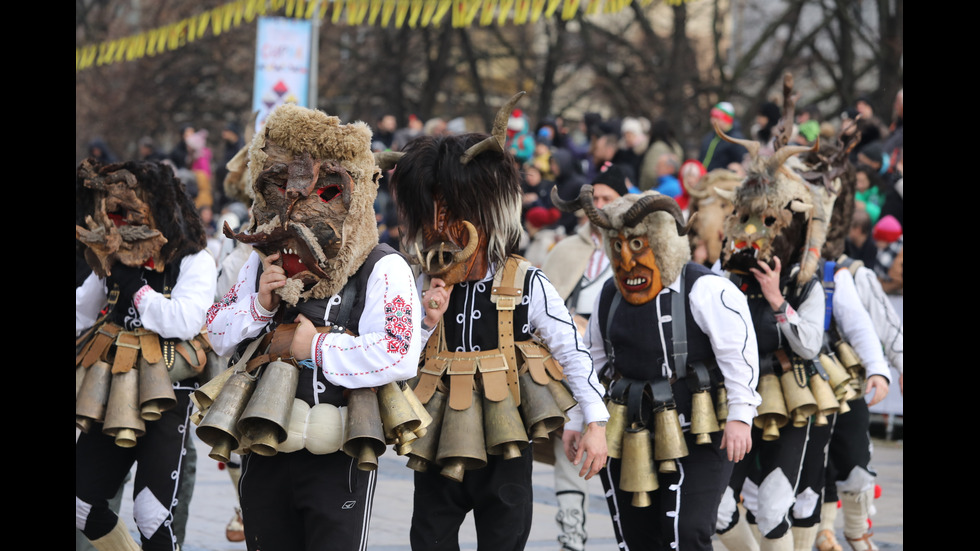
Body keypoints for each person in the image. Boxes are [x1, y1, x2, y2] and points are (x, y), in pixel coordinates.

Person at [387, 92, 609, 551]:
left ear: (484, 211)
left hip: (506, 440)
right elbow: (395, 356)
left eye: (453, 213)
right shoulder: (413, 280)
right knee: (427, 541)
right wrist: (428, 319)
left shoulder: (526, 281)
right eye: (433, 214)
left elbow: (571, 349)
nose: (442, 230)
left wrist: (596, 422)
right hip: (435, 436)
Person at [205, 103, 423, 551]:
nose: (298, 202)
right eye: (284, 186)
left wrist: (317, 347)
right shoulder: (259, 262)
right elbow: (214, 330)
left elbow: (400, 353)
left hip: (338, 451)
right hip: (263, 447)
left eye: (324, 191)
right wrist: (259, 305)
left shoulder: (383, 267)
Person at [550, 185, 759, 551]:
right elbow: (594, 361)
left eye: (637, 245)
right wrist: (576, 421)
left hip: (701, 433)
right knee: (636, 538)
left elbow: (738, 354)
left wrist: (741, 415)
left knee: (688, 532)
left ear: (662, 240)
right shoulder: (608, 295)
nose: (627, 261)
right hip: (629, 428)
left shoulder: (708, 289)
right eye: (618, 246)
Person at [76, 158, 217, 551]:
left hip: (166, 392)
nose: (118, 222)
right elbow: (81, 311)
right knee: (80, 503)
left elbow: (185, 320)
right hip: (112, 385)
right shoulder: (112, 259)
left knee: (151, 513)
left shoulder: (193, 260)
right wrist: (112, 270)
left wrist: (135, 286)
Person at [539, 162, 627, 551]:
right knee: (569, 442)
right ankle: (571, 534)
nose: (600, 205)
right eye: (596, 197)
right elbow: (545, 303)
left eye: (609, 198)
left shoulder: (632, 246)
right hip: (571, 359)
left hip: (620, 360)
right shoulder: (567, 249)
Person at [699, 102, 748, 171]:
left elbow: (742, 162)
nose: (713, 121)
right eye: (712, 117)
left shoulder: (736, 139)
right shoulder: (709, 137)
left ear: (727, 120)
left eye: (717, 118)